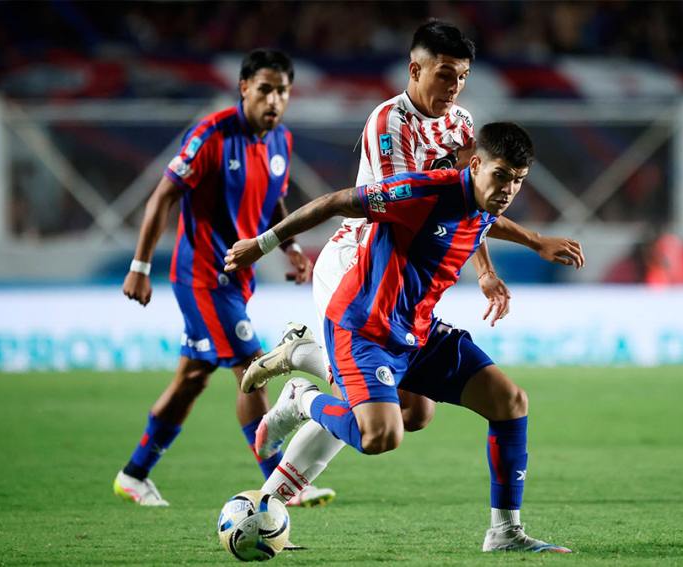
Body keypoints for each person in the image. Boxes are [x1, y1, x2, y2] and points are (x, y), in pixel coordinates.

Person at [239, 20, 584, 509]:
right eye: (445, 74)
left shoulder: (461, 123)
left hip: (406, 276)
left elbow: (471, 206)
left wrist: (485, 271)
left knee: (415, 412)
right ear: (415, 70)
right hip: (358, 262)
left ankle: (298, 396)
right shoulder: (389, 123)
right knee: (361, 399)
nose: (455, 87)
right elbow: (417, 210)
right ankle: (284, 459)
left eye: (462, 77)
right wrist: (266, 243)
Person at [225, 122, 572, 553]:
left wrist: (536, 242)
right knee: (381, 437)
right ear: (475, 165)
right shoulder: (423, 192)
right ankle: (302, 398)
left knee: (507, 402)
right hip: (363, 328)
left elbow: (488, 221)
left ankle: (505, 533)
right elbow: (335, 202)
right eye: (501, 176)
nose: (508, 190)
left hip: (417, 329)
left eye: (518, 181)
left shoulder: (485, 199)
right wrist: (262, 244)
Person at [114, 48, 333, 508]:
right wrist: (140, 266)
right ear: (244, 88)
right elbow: (162, 196)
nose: (274, 100)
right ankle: (282, 483)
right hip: (201, 277)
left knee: (192, 379)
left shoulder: (281, 140)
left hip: (237, 279)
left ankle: (134, 474)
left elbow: (273, 199)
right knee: (253, 367)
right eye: (265, 90)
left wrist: (290, 246)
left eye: (282, 92)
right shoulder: (211, 135)